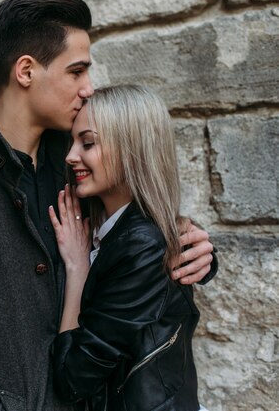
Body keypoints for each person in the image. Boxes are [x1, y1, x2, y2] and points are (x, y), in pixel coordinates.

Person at [0, 0, 216, 410]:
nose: (88, 87)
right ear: (25, 71)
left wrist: (194, 248)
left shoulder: (86, 167)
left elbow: (136, 238)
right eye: (77, 70)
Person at [49, 85, 204, 410]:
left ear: (132, 148)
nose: (70, 156)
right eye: (72, 141)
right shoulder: (109, 227)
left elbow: (72, 378)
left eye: (87, 143)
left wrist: (77, 269)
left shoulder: (142, 245)